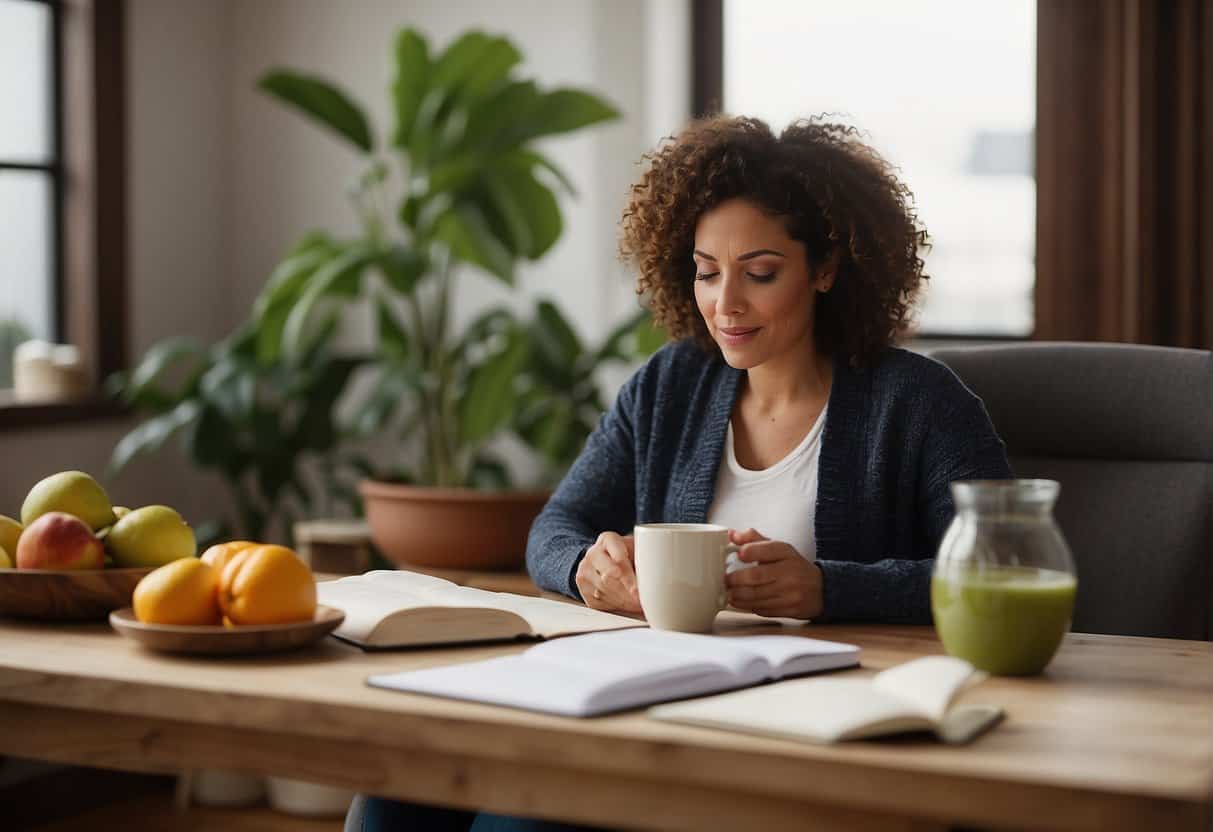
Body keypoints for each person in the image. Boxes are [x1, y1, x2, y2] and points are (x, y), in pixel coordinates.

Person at [354, 114, 1010, 831]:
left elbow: (997, 576)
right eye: (705, 272)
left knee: (521, 821)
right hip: (651, 696)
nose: (724, 303)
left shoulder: (917, 402)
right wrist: (584, 568)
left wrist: (826, 586)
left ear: (825, 269)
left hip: (803, 727)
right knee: (394, 791)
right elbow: (556, 525)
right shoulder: (672, 383)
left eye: (759, 274)